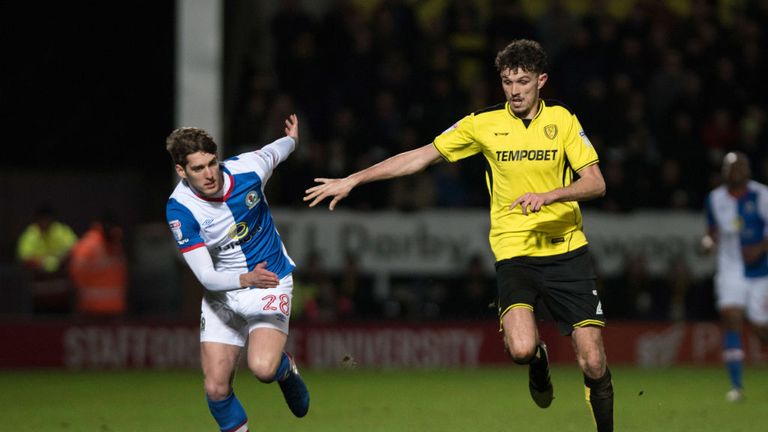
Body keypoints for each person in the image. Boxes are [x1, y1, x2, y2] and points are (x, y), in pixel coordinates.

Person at [305, 39, 613, 431]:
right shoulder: (482, 124)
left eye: (523, 81)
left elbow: (596, 183)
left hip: (567, 249)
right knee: (520, 349)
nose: (515, 90)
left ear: (541, 81)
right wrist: (355, 179)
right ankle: (537, 361)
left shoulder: (564, 121)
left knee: (593, 361)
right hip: (514, 253)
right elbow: (420, 156)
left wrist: (551, 195)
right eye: (507, 81)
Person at [165, 114, 309, 432]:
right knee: (216, 389)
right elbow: (205, 276)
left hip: (269, 282)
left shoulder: (248, 169)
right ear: (181, 171)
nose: (209, 174)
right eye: (198, 168)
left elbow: (277, 150)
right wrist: (245, 279)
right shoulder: (180, 209)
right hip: (224, 291)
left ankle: (284, 369)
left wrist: (293, 139)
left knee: (262, 368)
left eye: (212, 163)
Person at [701, 151, 768, 402]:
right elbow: (712, 230)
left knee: (762, 330)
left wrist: (760, 248)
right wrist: (707, 242)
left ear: (748, 171)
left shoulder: (762, 195)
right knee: (731, 317)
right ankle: (737, 387)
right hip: (730, 269)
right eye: (729, 168)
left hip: (761, 272)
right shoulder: (714, 199)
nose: (734, 172)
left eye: (738, 167)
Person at [16, 205, 78, 314]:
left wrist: (60, 260)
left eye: (47, 219)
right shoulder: (31, 234)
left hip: (61, 292)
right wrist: (43, 263)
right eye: (41, 220)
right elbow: (24, 257)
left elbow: (75, 250)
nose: (44, 223)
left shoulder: (62, 231)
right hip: (38, 292)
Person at [68, 210, 128, 317]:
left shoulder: (116, 244)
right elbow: (76, 275)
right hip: (92, 311)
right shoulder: (88, 245)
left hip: (116, 310)